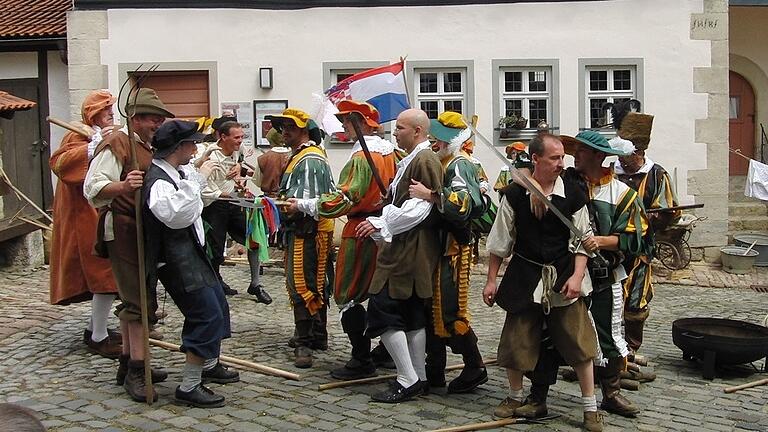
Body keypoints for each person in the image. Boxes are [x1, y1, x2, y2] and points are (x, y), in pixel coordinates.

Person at [483, 133, 603, 431]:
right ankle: (514, 397)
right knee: (516, 341)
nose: (561, 163)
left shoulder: (573, 194)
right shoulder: (514, 195)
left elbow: (581, 242)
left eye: (562, 157)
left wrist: (576, 277)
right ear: (535, 159)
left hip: (563, 274)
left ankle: (590, 409)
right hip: (525, 273)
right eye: (554, 158)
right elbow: (500, 241)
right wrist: (490, 281)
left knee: (579, 343)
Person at [286, 100, 398, 380]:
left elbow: (346, 197)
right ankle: (385, 351)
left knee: (347, 294)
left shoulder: (363, 157)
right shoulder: (391, 153)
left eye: (347, 122)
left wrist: (304, 205)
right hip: (385, 227)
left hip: (361, 229)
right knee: (380, 291)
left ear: (360, 124)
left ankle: (361, 357)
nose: (344, 128)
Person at [83, 87, 173, 403]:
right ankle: (138, 369)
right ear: (135, 118)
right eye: (153, 118)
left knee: (137, 298)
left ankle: (127, 361)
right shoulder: (117, 143)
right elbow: (92, 187)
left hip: (141, 231)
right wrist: (123, 185)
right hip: (121, 230)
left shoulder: (147, 145)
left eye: (162, 119)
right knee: (138, 304)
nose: (158, 124)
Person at [143, 120, 239, 408]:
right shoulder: (159, 179)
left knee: (218, 305)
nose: (196, 147)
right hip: (175, 258)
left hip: (190, 251)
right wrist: (198, 179)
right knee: (205, 314)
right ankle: (189, 385)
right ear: (178, 147)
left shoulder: (177, 170)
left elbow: (195, 202)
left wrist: (197, 174)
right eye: (191, 143)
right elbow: (177, 216)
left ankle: (208, 364)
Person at [355, 108, 443, 403]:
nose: (395, 132)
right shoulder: (412, 159)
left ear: (418, 131)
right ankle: (419, 376)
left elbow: (421, 208)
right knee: (410, 313)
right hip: (407, 247)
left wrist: (381, 221)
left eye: (401, 128)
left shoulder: (425, 159)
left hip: (409, 249)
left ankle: (407, 378)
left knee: (383, 310)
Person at [561, 130, 649, 418]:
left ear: (599, 156)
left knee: (609, 335)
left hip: (603, 274)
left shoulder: (623, 195)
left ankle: (611, 393)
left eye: (582, 151)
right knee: (555, 333)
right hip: (566, 273)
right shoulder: (565, 186)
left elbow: (639, 240)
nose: (575, 155)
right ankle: (539, 393)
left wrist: (600, 241)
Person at [408, 111, 488, 393]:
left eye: (440, 136)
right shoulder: (444, 160)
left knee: (450, 311)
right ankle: (435, 371)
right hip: (439, 247)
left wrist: (429, 195)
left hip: (453, 249)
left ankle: (474, 366)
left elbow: (463, 204)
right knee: (433, 309)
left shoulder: (459, 164)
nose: (434, 140)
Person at [49, 90, 121, 359]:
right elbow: (61, 164)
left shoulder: (99, 134)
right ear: (93, 114)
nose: (111, 114)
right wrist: (91, 148)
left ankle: (96, 327)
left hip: (97, 210)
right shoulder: (77, 135)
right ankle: (98, 336)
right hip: (83, 214)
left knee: (107, 273)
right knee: (103, 272)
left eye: (111, 109)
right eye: (106, 110)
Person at [272, 108, 336, 368]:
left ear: (305, 131)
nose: (284, 132)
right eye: (283, 127)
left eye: (291, 128)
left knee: (302, 282)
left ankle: (305, 342)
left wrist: (278, 205)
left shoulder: (309, 159)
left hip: (308, 229)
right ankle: (316, 334)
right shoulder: (300, 155)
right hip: (305, 228)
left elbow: (305, 201)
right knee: (313, 281)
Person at [614, 112, 679, 366]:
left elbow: (668, 211)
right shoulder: (611, 172)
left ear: (638, 152)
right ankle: (609, 349)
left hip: (640, 250)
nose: (620, 159)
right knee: (608, 300)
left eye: (625, 154)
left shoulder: (656, 175)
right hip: (611, 249)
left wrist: (659, 216)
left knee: (635, 302)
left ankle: (629, 349)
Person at [200, 120, 272, 303]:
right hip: (214, 205)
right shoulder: (210, 157)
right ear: (223, 137)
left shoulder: (237, 150)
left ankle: (255, 284)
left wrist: (239, 168)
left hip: (233, 202)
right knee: (214, 250)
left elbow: (241, 162)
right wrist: (224, 193)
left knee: (253, 238)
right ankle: (215, 284)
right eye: (236, 137)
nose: (240, 141)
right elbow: (202, 188)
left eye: (242, 137)